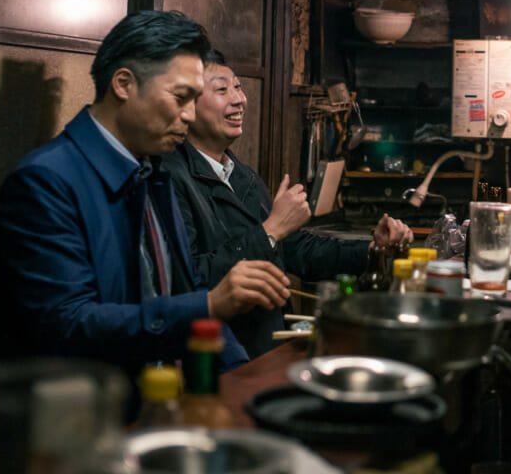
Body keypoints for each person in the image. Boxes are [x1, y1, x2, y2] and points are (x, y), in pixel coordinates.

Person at [0, 11, 291, 376]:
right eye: (180, 97)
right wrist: (209, 305)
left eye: (194, 99)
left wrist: (236, 374)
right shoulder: (45, 182)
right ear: (123, 84)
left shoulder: (153, 170)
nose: (189, 114)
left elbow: (187, 286)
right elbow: (67, 323)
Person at [163, 49, 413, 357]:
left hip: (268, 346)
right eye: (222, 89)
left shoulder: (241, 175)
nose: (239, 99)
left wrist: (373, 249)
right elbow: (188, 279)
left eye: (238, 87)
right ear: (188, 105)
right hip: (220, 355)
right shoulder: (169, 178)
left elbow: (298, 251)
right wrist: (270, 230)